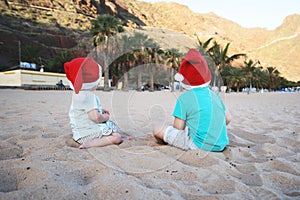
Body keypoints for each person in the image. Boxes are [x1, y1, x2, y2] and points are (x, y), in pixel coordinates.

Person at [153, 49, 231, 152]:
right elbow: (228, 118)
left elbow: (178, 128)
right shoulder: (215, 95)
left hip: (198, 145)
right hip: (221, 144)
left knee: (158, 129)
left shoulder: (184, 98)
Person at [64, 57, 122, 149]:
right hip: (87, 134)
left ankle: (91, 140)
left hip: (79, 132)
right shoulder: (89, 96)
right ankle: (90, 144)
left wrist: (100, 110)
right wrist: (105, 117)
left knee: (112, 129)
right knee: (117, 138)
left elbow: (84, 110)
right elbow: (95, 117)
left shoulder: (78, 94)